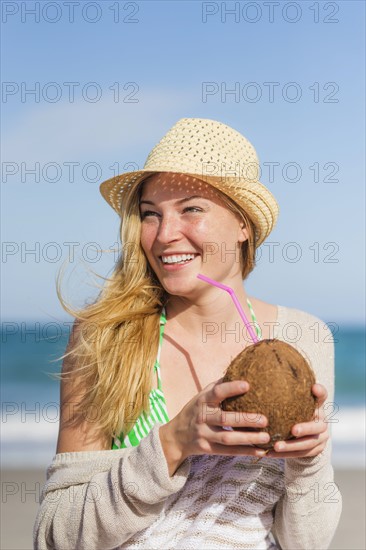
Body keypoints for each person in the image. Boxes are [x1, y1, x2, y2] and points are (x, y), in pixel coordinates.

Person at [34, 118, 342, 550]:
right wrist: (171, 443)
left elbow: (306, 542)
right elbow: (55, 536)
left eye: (192, 208)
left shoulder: (303, 337)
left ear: (243, 225)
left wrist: (307, 466)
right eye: (150, 215)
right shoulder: (103, 337)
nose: (164, 235)